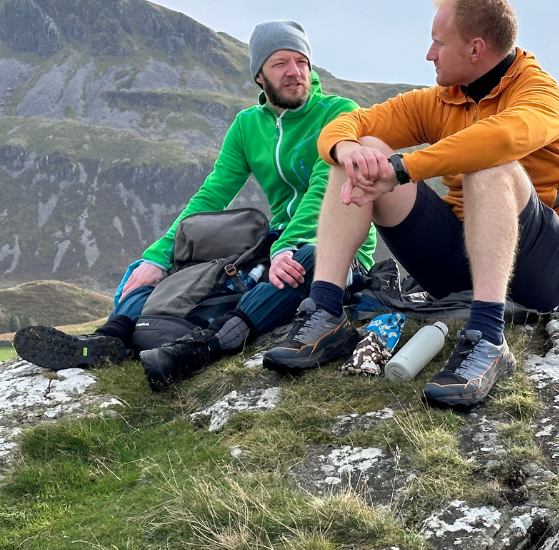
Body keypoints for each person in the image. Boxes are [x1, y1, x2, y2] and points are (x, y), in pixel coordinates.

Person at [262, 0, 559, 410]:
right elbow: (348, 124)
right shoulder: (440, 100)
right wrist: (348, 151)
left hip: (542, 271)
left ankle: (488, 340)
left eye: (438, 43)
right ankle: (325, 313)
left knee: (489, 162)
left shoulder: (542, 96)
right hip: (457, 262)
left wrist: (402, 170)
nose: (429, 55)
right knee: (361, 153)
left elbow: (500, 137)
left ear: (475, 49)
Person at [14, 21, 377, 387]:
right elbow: (212, 195)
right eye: (281, 63)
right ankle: (111, 338)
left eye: (302, 62)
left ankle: (212, 343)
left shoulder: (338, 111)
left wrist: (287, 247)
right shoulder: (247, 125)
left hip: (337, 245)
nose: (295, 72)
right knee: (164, 265)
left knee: (307, 260)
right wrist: (159, 255)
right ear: (259, 76)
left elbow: (322, 190)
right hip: (277, 241)